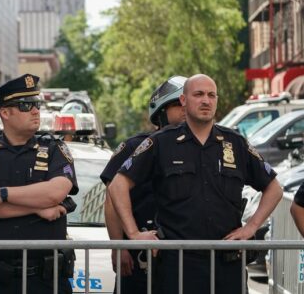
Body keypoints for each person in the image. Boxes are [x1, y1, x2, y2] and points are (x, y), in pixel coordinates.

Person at [108, 74, 284, 294]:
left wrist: (251, 227)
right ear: (183, 100)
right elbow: (117, 185)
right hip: (177, 265)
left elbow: (274, 188)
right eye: (198, 94)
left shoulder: (234, 143)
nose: (206, 101)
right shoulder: (161, 142)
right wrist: (133, 234)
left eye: (211, 95)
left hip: (227, 265)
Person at [0, 74, 78, 294]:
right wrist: (38, 206)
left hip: (46, 279)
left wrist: (2, 194)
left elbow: (55, 192)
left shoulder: (54, 148)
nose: (35, 111)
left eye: (36, 104)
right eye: (26, 105)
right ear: (5, 112)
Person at [100, 76, 186, 294]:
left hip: (184, 258)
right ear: (160, 112)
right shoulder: (135, 146)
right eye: (178, 105)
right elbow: (112, 201)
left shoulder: (201, 149)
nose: (185, 110)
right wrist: (120, 247)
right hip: (141, 257)